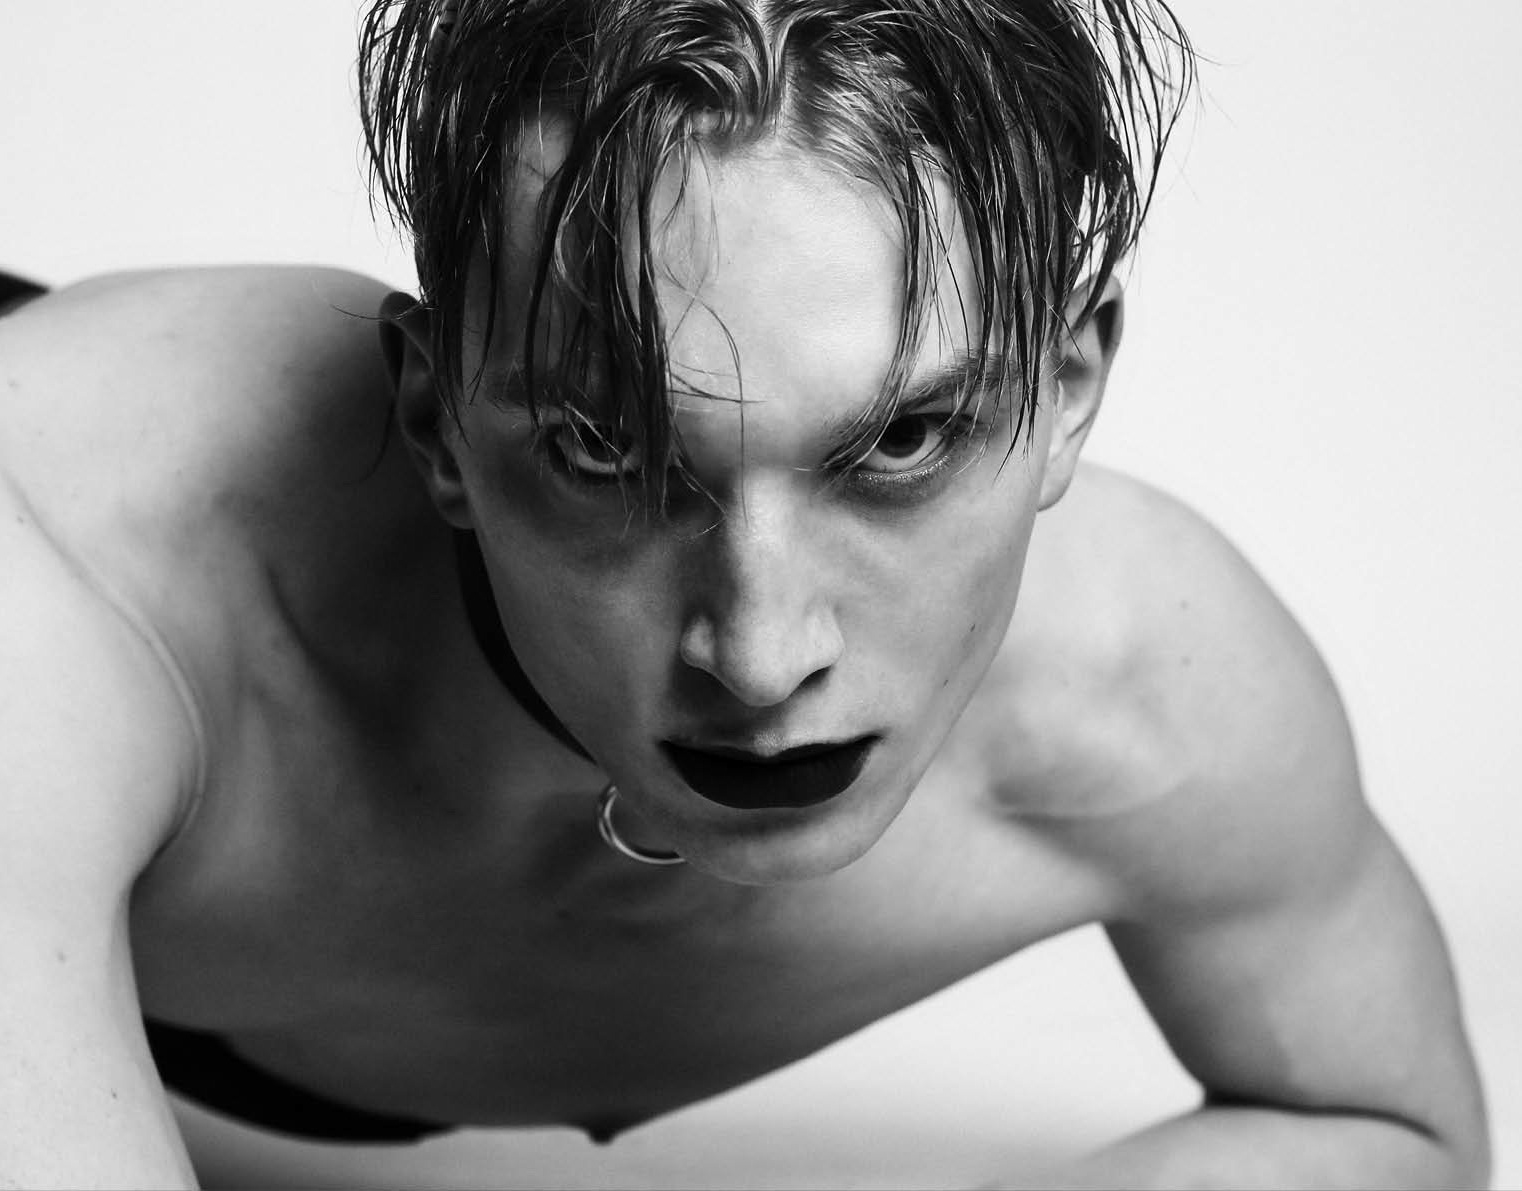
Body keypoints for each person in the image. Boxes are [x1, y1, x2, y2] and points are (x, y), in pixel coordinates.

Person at [0, 0, 1490, 1186]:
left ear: (1067, 384)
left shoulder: (1152, 691)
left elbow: (1390, 1133)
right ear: (435, 423)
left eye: (902, 442)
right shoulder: (78, 595)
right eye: (602, 450)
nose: (763, 659)